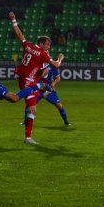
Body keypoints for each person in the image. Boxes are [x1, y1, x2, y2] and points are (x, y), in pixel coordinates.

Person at [8, 11, 64, 144]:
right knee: (26, 103)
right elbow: (56, 64)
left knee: (32, 109)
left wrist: (14, 20)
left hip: (24, 77)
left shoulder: (28, 46)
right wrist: (60, 58)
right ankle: (27, 137)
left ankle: (27, 137)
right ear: (42, 44)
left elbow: (19, 34)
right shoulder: (43, 54)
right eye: (48, 45)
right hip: (28, 81)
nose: (49, 47)